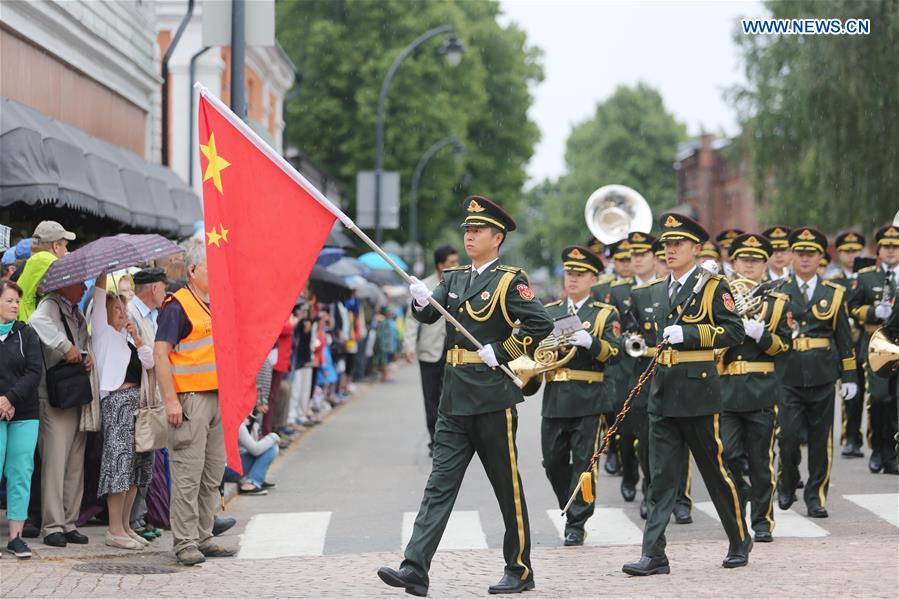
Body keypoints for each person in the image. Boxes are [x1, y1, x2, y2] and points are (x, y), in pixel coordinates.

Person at [378, 196, 553, 596]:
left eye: (477, 231)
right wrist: (421, 298)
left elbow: (539, 323)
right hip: (454, 398)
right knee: (439, 485)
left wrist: (506, 349)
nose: (470, 236)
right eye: (467, 231)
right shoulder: (454, 278)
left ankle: (520, 568)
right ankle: (415, 567)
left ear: (498, 237)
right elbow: (429, 314)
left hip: (492, 397)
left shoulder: (510, 280)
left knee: (507, 490)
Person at [622, 212, 749, 576]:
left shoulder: (712, 286)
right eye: (667, 244)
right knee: (661, 476)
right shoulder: (659, 289)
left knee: (714, 472)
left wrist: (691, 335)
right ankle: (654, 554)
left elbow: (733, 332)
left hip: (698, 390)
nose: (671, 250)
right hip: (663, 390)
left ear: (696, 248)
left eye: (678, 244)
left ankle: (739, 538)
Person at [154, 241, 235, 566]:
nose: (216, 274)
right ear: (191, 271)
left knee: (211, 473)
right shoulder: (178, 305)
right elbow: (161, 353)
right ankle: (185, 542)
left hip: (217, 398)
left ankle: (204, 536)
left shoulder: (213, 304)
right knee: (188, 473)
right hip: (190, 400)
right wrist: (171, 400)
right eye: (209, 268)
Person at [541, 245, 621, 546]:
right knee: (552, 461)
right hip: (555, 396)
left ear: (593, 279)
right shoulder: (550, 312)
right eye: (569, 273)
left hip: (588, 397)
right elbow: (537, 352)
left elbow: (615, 353)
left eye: (579, 274)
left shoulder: (604, 314)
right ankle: (570, 502)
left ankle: (577, 521)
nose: (572, 279)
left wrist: (593, 343)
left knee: (584, 462)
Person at [777, 227, 858, 516]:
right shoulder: (780, 290)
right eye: (800, 253)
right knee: (787, 436)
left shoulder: (833, 293)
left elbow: (844, 339)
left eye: (811, 254)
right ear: (791, 256)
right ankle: (786, 480)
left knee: (820, 440)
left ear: (821, 256)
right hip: (787, 374)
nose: (805, 259)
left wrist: (849, 376)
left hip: (822, 374)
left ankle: (816, 495)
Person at [719, 234, 791, 543]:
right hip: (727, 390)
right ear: (733, 263)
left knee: (761, 460)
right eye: (743, 260)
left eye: (755, 260)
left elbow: (784, 345)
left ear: (764, 264)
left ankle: (762, 521)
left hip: (761, 390)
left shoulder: (778, 302)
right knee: (729, 456)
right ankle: (741, 502)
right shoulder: (721, 298)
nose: (748, 265)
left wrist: (761, 336)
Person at [90, 275, 154, 550]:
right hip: (117, 402)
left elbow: (149, 362)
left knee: (136, 468)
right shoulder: (103, 334)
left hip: (137, 404)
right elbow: (98, 296)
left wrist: (138, 338)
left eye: (124, 310)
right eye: (116, 309)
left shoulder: (128, 338)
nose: (122, 313)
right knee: (119, 467)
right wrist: (104, 273)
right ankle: (114, 529)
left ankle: (126, 525)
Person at [29, 280, 95, 547]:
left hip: (74, 392)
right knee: (56, 462)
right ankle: (53, 525)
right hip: (54, 395)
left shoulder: (75, 311)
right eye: (79, 283)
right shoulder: (50, 306)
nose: (83, 287)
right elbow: (36, 321)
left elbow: (82, 345)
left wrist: (85, 354)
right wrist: (65, 345)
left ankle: (69, 521)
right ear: (65, 284)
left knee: (74, 462)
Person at [849, 225, 899, 474]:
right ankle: (878, 448)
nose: (891, 251)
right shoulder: (867, 276)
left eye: (896, 246)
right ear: (878, 249)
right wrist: (872, 312)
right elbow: (852, 307)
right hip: (878, 347)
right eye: (887, 246)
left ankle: (892, 453)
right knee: (879, 399)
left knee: (896, 403)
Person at [403, 245, 460, 455]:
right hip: (429, 349)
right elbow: (411, 319)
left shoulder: (461, 282)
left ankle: (448, 440)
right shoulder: (425, 286)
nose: (456, 265)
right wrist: (408, 346)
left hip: (454, 349)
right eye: (451, 262)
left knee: (450, 396)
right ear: (440, 265)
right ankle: (434, 440)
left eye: (457, 261)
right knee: (431, 398)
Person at [0, 281, 43, 558]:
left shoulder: (26, 334)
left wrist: (11, 399)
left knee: (20, 472)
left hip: (24, 413)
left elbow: (34, 371)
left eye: (17, 301)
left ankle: (15, 537)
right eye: (9, 300)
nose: (15, 305)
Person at [126, 267, 168, 539]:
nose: (165, 293)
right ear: (153, 288)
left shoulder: (153, 315)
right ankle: (131, 521)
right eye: (163, 288)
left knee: (146, 459)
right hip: (135, 394)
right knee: (134, 459)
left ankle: (139, 518)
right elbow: (145, 358)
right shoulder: (131, 313)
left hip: (152, 396)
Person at [828, 232, 867, 458]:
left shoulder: (867, 277)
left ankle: (857, 437)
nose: (851, 255)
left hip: (862, 341)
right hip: (839, 343)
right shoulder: (834, 281)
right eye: (846, 251)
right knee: (846, 392)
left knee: (860, 391)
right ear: (840, 253)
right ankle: (848, 438)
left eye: (855, 251)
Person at [17, 221, 75, 323]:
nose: (66, 250)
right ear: (56, 246)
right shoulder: (43, 258)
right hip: (27, 320)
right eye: (65, 246)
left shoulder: (34, 261)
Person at [234, 416, 280, 495]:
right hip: (227, 469)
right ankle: (252, 482)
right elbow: (255, 450)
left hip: (227, 467)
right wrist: (273, 436)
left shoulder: (243, 421)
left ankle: (255, 477)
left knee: (268, 447)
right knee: (272, 448)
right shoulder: (238, 423)